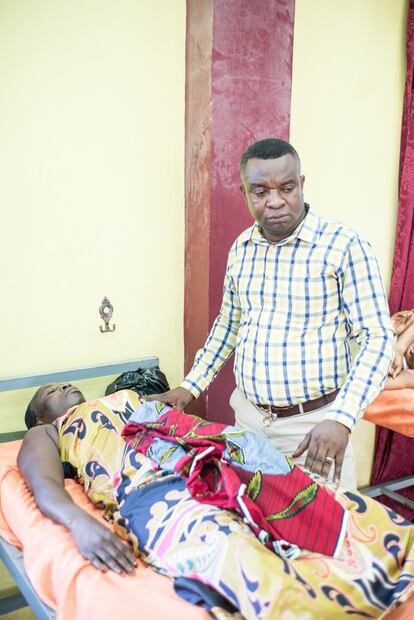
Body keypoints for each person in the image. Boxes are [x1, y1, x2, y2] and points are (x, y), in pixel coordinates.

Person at [18, 383, 414, 619]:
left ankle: (390, 553)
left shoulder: (128, 397)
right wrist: (78, 522)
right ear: (38, 417)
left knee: (304, 490)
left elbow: (172, 414)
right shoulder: (49, 432)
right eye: (50, 392)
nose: (64, 389)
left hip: (209, 450)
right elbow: (44, 483)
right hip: (151, 486)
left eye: (62, 385)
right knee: (221, 543)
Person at [147, 138, 395, 489]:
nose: (275, 201)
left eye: (287, 188)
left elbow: (378, 338)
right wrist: (190, 387)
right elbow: (229, 325)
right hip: (248, 423)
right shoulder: (243, 249)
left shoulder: (344, 246)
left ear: (302, 185)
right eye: (260, 191)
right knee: (253, 528)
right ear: (244, 192)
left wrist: (342, 419)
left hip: (315, 430)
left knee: (322, 537)